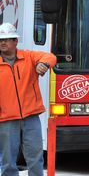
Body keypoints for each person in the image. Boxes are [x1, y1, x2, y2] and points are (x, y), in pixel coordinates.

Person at [0, 22, 56, 176]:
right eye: (0, 40)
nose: (3, 42)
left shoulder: (29, 57)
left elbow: (50, 56)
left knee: (35, 158)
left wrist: (44, 64)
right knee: (8, 161)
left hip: (31, 117)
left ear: (15, 41)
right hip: (5, 119)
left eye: (7, 39)